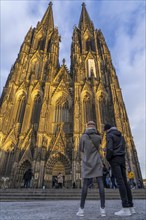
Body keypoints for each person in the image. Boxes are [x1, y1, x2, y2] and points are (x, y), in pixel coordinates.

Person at [104, 124, 136, 216]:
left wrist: (108, 157)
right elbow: (122, 147)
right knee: (125, 182)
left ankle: (125, 208)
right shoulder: (120, 135)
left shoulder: (109, 135)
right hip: (122, 158)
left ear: (107, 130)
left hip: (115, 159)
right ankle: (131, 207)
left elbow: (110, 148)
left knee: (120, 182)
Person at [76, 121, 106, 217]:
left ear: (87, 127)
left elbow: (80, 149)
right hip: (97, 161)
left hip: (87, 162)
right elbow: (100, 147)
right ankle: (103, 210)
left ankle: (81, 210)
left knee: (85, 186)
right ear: (94, 127)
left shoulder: (83, 137)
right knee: (101, 184)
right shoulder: (98, 137)